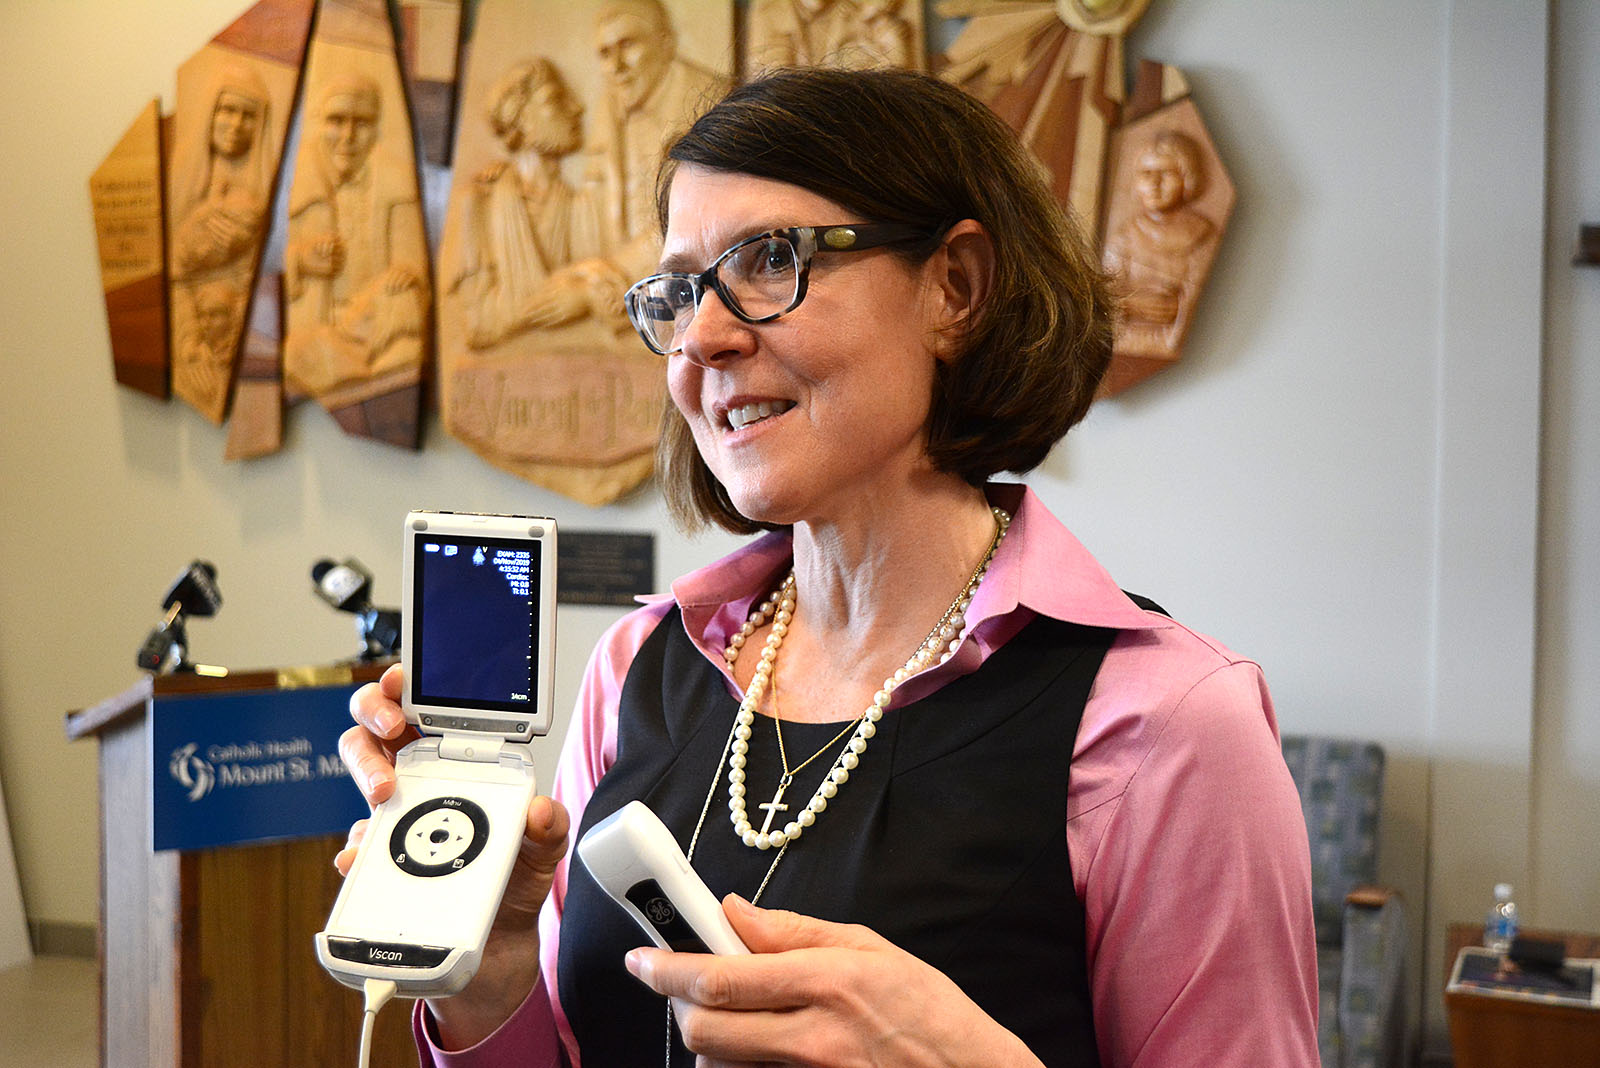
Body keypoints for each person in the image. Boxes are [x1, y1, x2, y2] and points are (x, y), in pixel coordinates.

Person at [340, 68, 1319, 1067]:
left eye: (769, 260)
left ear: (955, 289)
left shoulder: (1166, 726)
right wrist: (490, 973)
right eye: (681, 291)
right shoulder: (638, 666)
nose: (703, 341)